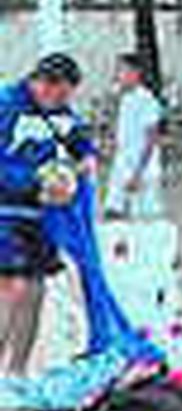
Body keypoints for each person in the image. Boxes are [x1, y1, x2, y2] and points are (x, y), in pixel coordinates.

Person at [0, 54, 96, 378]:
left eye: (67, 97)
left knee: (36, 289)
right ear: (42, 83)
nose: (61, 102)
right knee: (15, 287)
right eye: (58, 94)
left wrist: (82, 162)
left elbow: (80, 143)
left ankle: (16, 371)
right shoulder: (6, 106)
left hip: (40, 216)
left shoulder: (59, 113)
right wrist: (35, 179)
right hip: (6, 212)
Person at [104, 52, 165, 220]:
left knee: (145, 222)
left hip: (143, 170)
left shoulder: (146, 100)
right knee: (113, 214)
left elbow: (152, 138)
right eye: (117, 71)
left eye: (121, 71)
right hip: (122, 166)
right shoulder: (123, 99)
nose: (117, 76)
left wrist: (138, 173)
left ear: (135, 73)